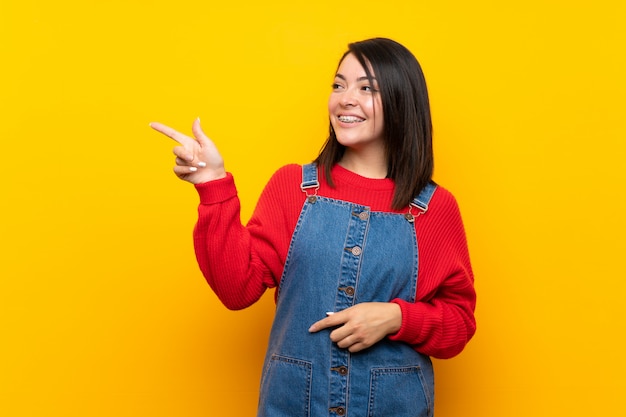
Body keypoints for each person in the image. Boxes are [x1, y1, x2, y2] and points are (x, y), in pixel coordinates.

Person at [151, 37, 476, 417]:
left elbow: (459, 323)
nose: (345, 99)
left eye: (366, 87)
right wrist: (213, 185)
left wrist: (396, 317)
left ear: (402, 102)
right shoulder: (293, 188)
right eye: (338, 85)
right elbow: (236, 289)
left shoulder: (435, 208)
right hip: (292, 405)